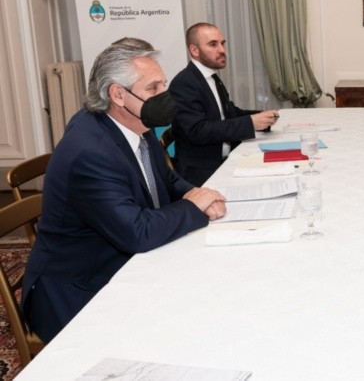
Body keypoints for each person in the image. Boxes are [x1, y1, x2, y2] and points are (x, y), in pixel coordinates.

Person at [22, 43, 227, 342]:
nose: (165, 96)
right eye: (153, 88)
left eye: (164, 85)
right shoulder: (91, 153)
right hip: (79, 290)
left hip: (122, 262)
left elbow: (167, 181)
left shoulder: (135, 126)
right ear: (117, 94)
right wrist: (193, 206)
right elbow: (138, 233)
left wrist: (197, 193)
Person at [169, 22, 280, 186]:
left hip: (225, 160)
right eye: (213, 44)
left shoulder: (211, 77)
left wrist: (260, 117)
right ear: (194, 50)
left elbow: (228, 112)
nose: (222, 50)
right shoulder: (184, 83)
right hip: (203, 172)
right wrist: (250, 123)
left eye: (222, 43)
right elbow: (198, 131)